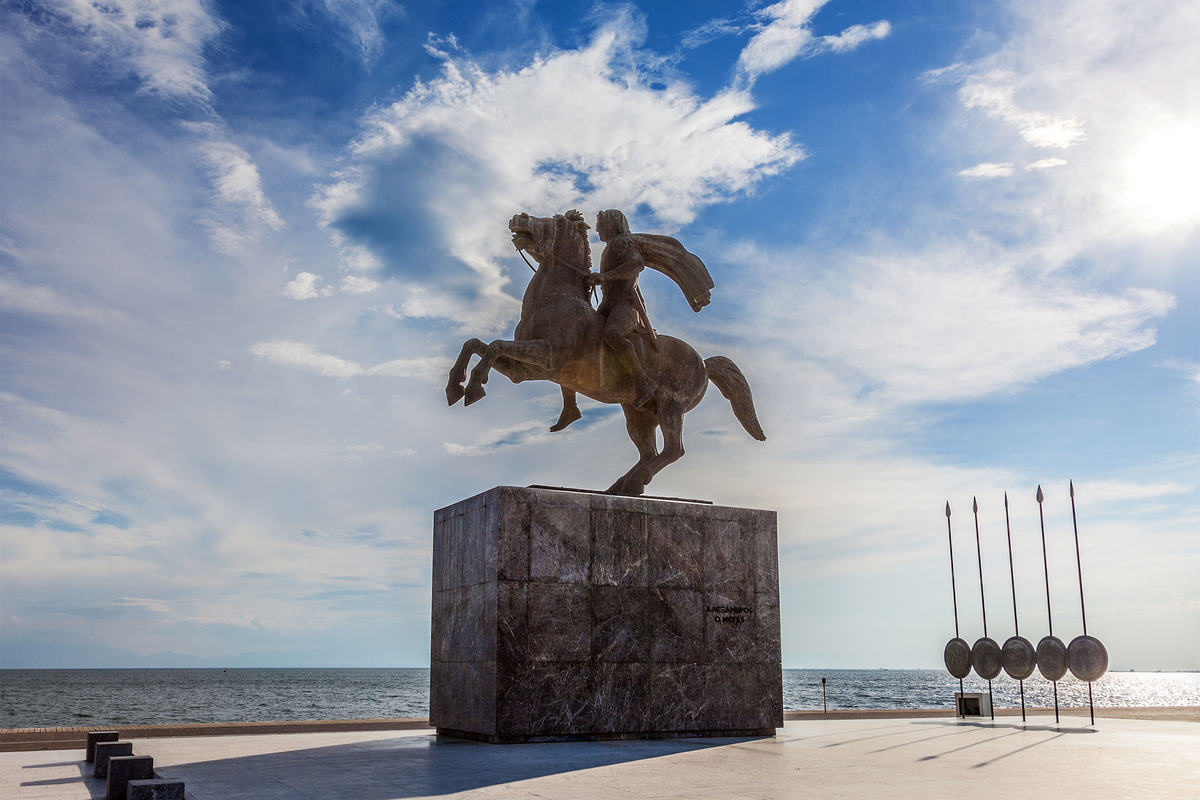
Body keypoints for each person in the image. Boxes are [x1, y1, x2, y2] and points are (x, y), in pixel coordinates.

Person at [590, 209, 658, 409]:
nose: (597, 229)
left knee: (612, 333)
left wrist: (604, 277)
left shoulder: (621, 242)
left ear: (612, 223)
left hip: (625, 306)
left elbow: (636, 264)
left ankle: (642, 381)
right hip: (609, 305)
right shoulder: (610, 247)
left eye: (600, 224)